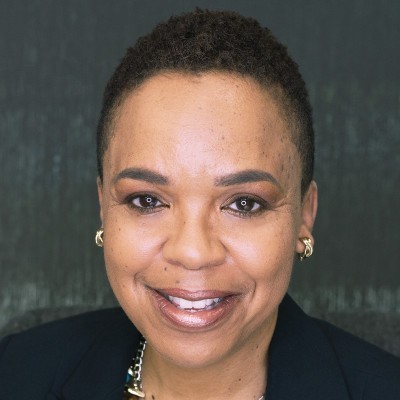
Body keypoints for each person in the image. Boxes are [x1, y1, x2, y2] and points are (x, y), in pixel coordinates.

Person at [0, 8, 399, 400]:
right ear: (104, 206)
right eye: (147, 200)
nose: (192, 253)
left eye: (244, 203)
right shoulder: (15, 372)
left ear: (304, 215)